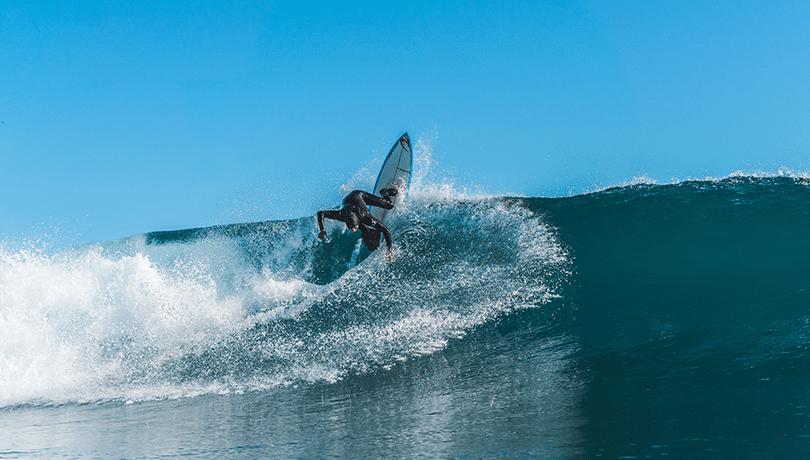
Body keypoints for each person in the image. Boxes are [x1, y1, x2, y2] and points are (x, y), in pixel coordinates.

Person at [317, 188, 398, 262]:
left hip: (358, 195)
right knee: (365, 232)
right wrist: (322, 229)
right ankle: (371, 242)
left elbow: (386, 230)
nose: (353, 230)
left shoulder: (366, 217)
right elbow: (321, 213)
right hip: (347, 201)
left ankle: (384, 192)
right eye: (351, 228)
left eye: (354, 228)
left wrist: (389, 250)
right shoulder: (341, 215)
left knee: (389, 205)